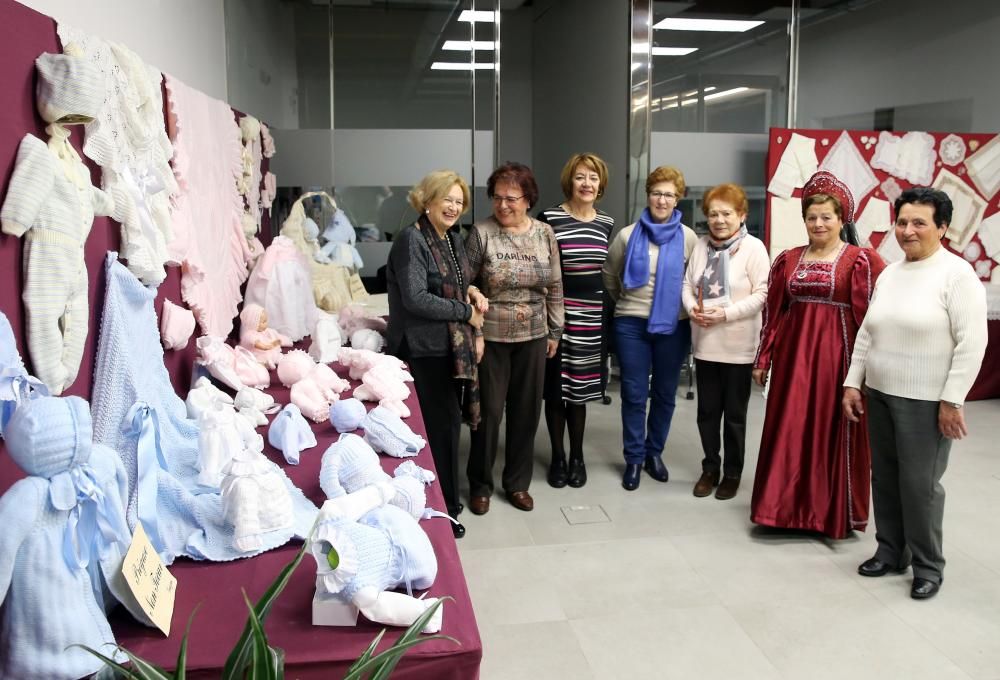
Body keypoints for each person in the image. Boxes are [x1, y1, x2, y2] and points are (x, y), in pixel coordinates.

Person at [843, 187, 987, 600]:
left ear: (942, 227)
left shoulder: (957, 276)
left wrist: (952, 399)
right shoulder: (890, 273)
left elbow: (971, 344)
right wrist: (854, 382)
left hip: (926, 401)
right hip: (881, 393)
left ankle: (928, 565)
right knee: (885, 477)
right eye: (903, 222)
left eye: (919, 222)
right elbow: (868, 333)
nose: (908, 230)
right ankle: (891, 551)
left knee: (920, 486)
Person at [750, 170, 885, 538]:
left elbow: (872, 320)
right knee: (789, 427)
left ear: (842, 219)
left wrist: (863, 373)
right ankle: (781, 509)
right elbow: (774, 312)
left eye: (827, 216)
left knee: (829, 430)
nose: (818, 223)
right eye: (812, 217)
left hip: (836, 361)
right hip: (794, 362)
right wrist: (764, 358)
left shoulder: (861, 261)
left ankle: (826, 512)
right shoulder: (788, 259)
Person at [385, 170, 488, 539]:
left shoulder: (451, 239)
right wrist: (466, 313)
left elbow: (456, 284)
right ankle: (442, 507)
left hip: (448, 347)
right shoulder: (410, 240)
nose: (454, 207)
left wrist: (472, 292)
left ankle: (444, 502)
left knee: (445, 428)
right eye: (448, 199)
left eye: (459, 202)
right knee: (435, 431)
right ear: (427, 199)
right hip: (422, 349)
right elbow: (416, 298)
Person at [465, 162, 564, 514]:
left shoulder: (544, 234)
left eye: (511, 198)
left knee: (526, 412)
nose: (502, 205)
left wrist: (555, 330)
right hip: (490, 336)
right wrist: (474, 316)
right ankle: (480, 484)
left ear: (528, 199)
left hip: (534, 335)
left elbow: (553, 285)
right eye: (496, 198)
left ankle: (517, 483)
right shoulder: (481, 233)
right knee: (488, 414)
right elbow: (464, 281)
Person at [603, 165, 698, 491]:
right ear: (648, 195)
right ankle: (633, 458)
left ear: (678, 198)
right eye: (657, 192)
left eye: (669, 194)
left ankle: (654, 453)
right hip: (631, 325)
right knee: (632, 394)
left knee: (664, 394)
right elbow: (609, 275)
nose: (662, 199)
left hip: (675, 326)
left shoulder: (689, 238)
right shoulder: (628, 235)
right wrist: (628, 305)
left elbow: (694, 281)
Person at [681, 183, 769, 500]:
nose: (719, 220)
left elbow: (763, 294)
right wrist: (692, 308)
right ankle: (709, 469)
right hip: (705, 343)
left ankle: (732, 473)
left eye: (726, 213)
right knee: (707, 412)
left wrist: (726, 314)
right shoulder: (702, 246)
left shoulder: (754, 248)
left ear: (741, 215)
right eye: (713, 214)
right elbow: (687, 285)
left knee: (734, 416)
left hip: (738, 346)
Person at [538, 153, 614, 489]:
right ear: (570, 180)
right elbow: (542, 272)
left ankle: (578, 457)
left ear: (600, 185)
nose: (587, 183)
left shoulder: (606, 223)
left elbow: (606, 272)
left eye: (593, 178)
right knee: (555, 391)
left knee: (579, 393)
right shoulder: (549, 219)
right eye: (581, 177)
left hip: (592, 317)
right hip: (557, 316)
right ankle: (557, 456)